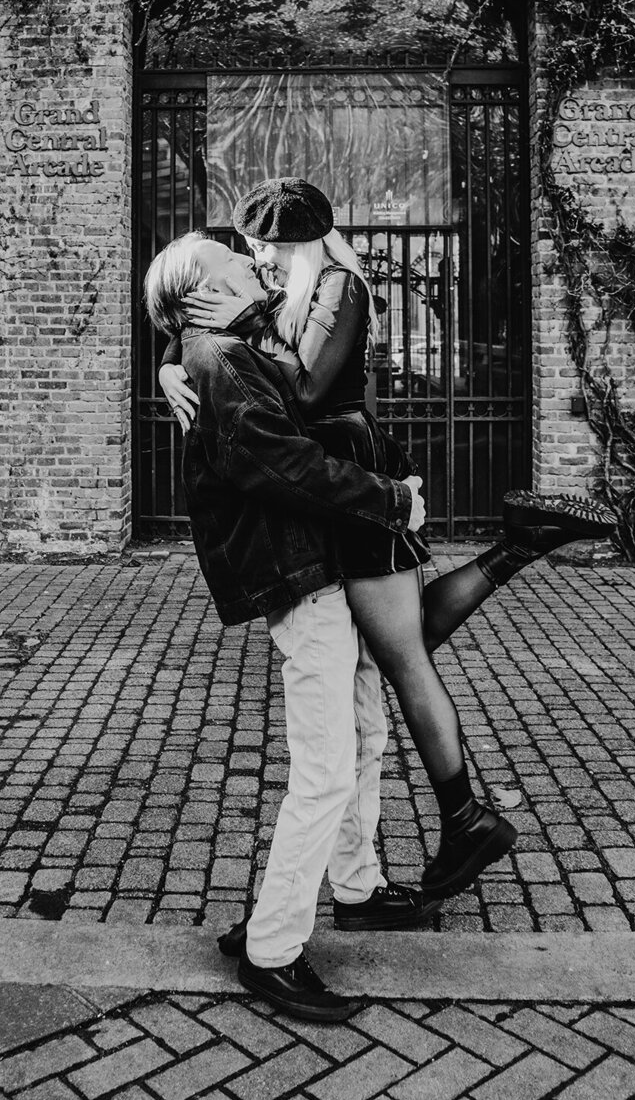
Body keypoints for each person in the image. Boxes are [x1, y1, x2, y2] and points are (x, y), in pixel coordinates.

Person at [159, 179, 616, 893]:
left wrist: (207, 361)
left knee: (399, 651)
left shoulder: (339, 284)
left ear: (305, 243)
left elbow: (303, 393)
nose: (262, 261)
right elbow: (190, 299)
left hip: (350, 468)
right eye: (253, 250)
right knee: (387, 646)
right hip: (333, 479)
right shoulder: (276, 294)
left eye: (273, 249)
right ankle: (519, 547)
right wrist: (173, 360)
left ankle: (466, 816)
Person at [144, 231, 438, 1025]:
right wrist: (390, 499)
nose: (258, 263)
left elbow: (207, 332)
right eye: (236, 262)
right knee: (326, 769)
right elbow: (286, 466)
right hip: (300, 580)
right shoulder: (223, 361)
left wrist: (165, 357)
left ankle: (357, 887)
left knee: (364, 731)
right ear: (201, 295)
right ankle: (272, 951)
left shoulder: (216, 349)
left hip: (320, 568)